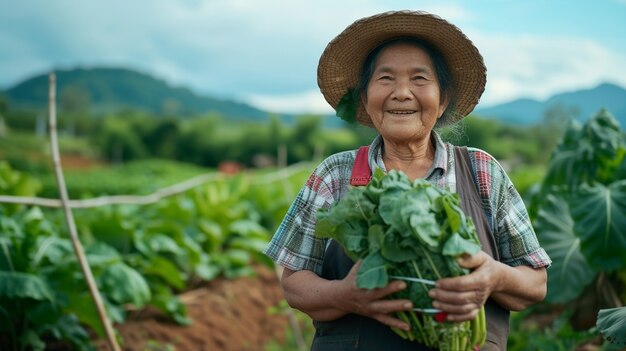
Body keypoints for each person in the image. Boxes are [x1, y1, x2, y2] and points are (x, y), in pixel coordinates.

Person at [264, 10, 551, 351]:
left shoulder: (482, 170)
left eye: (419, 79)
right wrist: (346, 295)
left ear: (442, 100)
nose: (402, 92)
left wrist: (494, 276)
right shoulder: (334, 174)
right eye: (385, 79)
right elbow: (294, 283)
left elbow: (535, 282)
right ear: (365, 98)